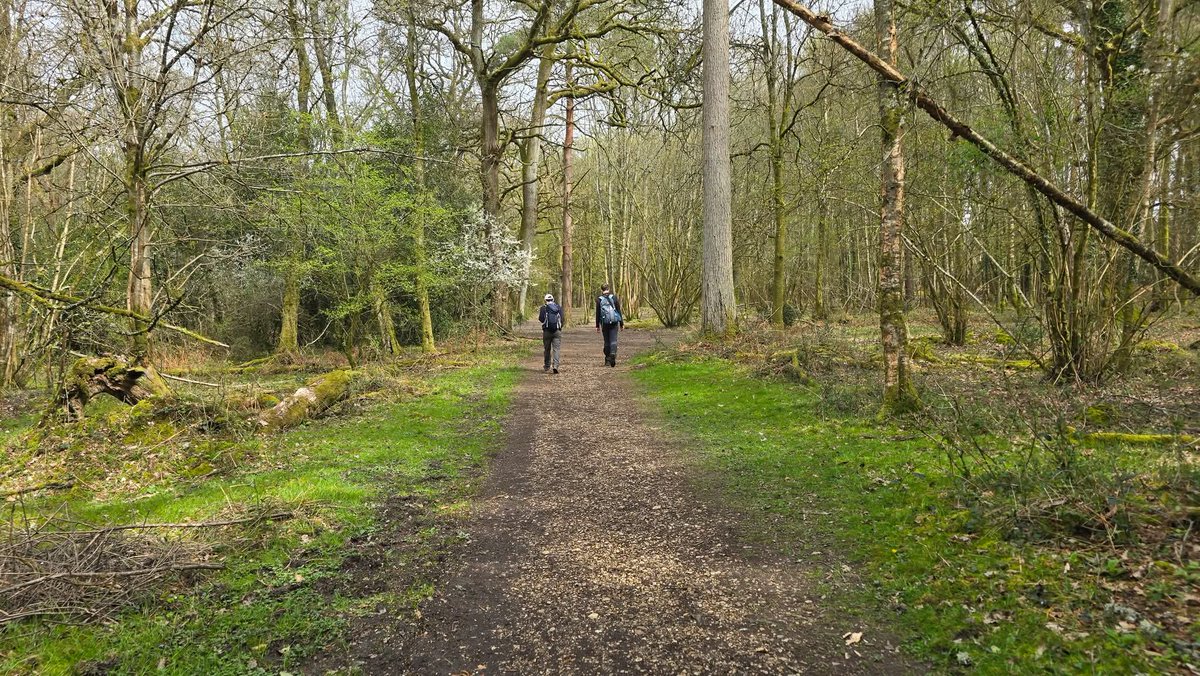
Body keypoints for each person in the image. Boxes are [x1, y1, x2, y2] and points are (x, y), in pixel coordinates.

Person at [595, 283, 624, 367]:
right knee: (613, 340)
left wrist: (597, 325)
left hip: (604, 323)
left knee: (607, 341)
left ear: (602, 290)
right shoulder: (614, 298)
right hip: (614, 322)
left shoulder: (599, 299)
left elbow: (598, 313)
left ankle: (607, 360)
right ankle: (613, 354)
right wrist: (621, 323)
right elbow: (618, 311)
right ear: (609, 289)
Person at [538, 293, 563, 374]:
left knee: (547, 349)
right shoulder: (558, 307)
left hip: (547, 332)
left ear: (545, 300)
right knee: (556, 349)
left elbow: (541, 319)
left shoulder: (543, 308)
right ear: (553, 300)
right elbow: (562, 318)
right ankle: (555, 366)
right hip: (557, 331)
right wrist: (559, 327)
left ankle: (547, 366)